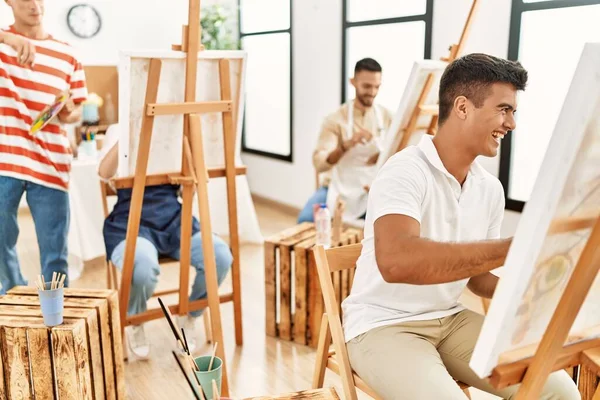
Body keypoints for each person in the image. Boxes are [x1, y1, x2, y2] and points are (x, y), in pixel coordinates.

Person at [341, 53, 580, 399]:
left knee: (557, 389)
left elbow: (476, 277)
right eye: (503, 109)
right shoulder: (404, 171)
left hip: (450, 320)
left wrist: (532, 294)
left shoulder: (488, 189)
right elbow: (395, 262)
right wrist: (517, 246)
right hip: (383, 325)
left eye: (513, 111)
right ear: (463, 107)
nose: (511, 123)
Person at [97, 125, 232, 359]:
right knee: (142, 267)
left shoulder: (174, 129)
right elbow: (104, 172)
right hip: (131, 222)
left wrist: (190, 154)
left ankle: (190, 314)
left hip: (174, 219)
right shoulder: (118, 129)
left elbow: (193, 184)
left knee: (219, 256)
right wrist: (129, 135)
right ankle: (135, 318)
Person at [0, 0, 87, 294]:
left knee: (55, 253)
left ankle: (54, 316)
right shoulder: (2, 45)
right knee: (0, 241)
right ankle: (13, 298)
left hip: (51, 162)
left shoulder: (67, 54)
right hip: (6, 158)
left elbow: (76, 111)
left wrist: (68, 111)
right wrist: (8, 37)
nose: (35, 5)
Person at [297, 57, 392, 223]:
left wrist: (383, 157)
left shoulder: (388, 118)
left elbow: (401, 151)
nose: (372, 92)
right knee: (305, 221)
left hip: (371, 190)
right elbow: (319, 163)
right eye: (366, 86)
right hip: (336, 189)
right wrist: (346, 146)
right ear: (353, 82)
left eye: (376, 87)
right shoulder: (335, 120)